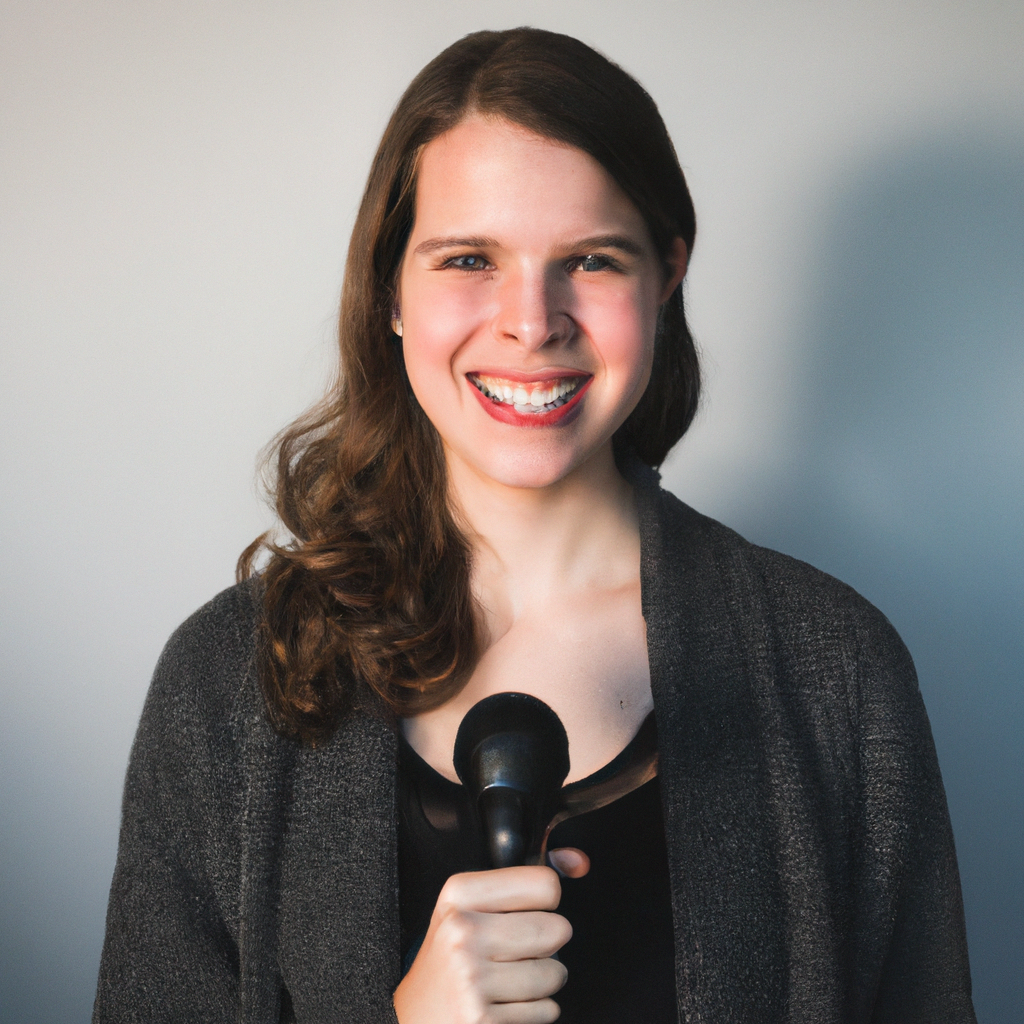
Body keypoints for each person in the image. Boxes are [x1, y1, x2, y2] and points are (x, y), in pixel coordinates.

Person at [93, 27, 976, 1024]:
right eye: (469, 257)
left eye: (590, 259)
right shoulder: (226, 680)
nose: (531, 320)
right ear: (391, 290)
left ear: (666, 273)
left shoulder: (836, 669)